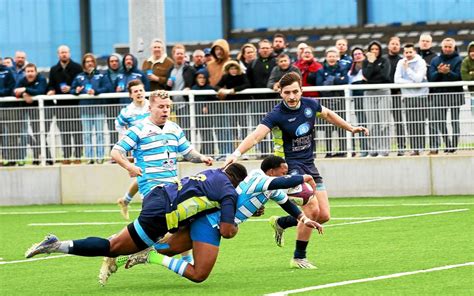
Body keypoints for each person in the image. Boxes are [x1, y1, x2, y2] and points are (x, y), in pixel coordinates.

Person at [102, 156, 323, 284]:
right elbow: (278, 185)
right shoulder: (259, 178)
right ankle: (144, 255)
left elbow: (285, 201)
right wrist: (302, 178)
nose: (285, 176)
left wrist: (303, 218)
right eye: (283, 173)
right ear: (272, 171)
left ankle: (119, 253)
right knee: (199, 274)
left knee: (166, 248)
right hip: (212, 223)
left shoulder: (267, 188)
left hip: (207, 219)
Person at [225, 72, 368, 269]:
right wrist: (237, 152)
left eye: (295, 91)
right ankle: (299, 257)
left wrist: (350, 128)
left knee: (324, 215)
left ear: (301, 90)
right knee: (312, 208)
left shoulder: (310, 105)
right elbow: (256, 136)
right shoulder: (276, 114)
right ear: (280, 93)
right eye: (287, 93)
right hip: (288, 168)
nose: (291, 97)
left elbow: (327, 114)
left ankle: (282, 222)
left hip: (309, 164)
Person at [24, 164, 249, 284]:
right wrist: (235, 221)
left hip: (158, 195)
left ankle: (143, 252)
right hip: (161, 214)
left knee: (164, 238)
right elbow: (227, 231)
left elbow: (199, 199)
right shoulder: (229, 191)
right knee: (113, 246)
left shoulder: (213, 172)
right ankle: (57, 245)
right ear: (238, 182)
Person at [111, 89, 213, 219]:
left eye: (168, 107)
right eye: (160, 107)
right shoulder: (138, 130)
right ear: (150, 108)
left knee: (176, 230)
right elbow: (115, 152)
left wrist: (202, 158)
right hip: (151, 188)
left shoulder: (174, 128)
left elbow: (188, 153)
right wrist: (129, 166)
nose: (165, 110)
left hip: (172, 187)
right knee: (162, 230)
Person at [114, 80, 150, 219]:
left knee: (144, 175)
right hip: (140, 148)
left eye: (141, 90)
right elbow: (118, 124)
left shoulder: (151, 105)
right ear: (131, 95)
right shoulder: (127, 111)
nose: (139, 93)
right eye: (136, 91)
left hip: (155, 145)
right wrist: (126, 138)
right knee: (144, 175)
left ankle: (126, 200)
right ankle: (147, 210)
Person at [71, 53, 112, 164]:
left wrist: (96, 91)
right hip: (85, 109)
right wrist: (76, 91)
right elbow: (72, 89)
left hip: (98, 109)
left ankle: (100, 157)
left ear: (94, 63)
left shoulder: (100, 75)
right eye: (87, 61)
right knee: (87, 134)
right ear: (84, 64)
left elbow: (108, 88)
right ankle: (89, 157)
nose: (89, 63)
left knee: (99, 133)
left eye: (91, 61)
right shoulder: (79, 76)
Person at [47, 45, 83, 164]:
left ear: (69, 53)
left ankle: (78, 156)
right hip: (61, 106)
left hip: (75, 104)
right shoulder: (53, 69)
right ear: (58, 54)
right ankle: (66, 156)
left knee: (77, 131)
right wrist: (51, 90)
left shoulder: (77, 67)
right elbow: (51, 84)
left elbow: (81, 83)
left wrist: (72, 88)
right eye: (62, 52)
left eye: (66, 52)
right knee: (64, 133)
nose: (64, 54)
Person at [428, 38, 463, 154]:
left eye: (450, 47)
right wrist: (439, 72)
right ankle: (447, 144)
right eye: (446, 47)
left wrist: (448, 72)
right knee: (441, 122)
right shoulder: (435, 60)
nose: (447, 49)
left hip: (454, 95)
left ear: (454, 48)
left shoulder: (459, 60)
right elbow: (431, 79)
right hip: (439, 95)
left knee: (454, 121)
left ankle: (454, 146)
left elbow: (459, 77)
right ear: (442, 47)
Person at [314, 47, 349, 158]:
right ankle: (328, 152)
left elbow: (345, 81)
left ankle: (342, 151)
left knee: (341, 125)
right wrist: (337, 80)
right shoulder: (320, 70)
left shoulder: (343, 68)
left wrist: (331, 80)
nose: (332, 58)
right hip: (326, 101)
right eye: (330, 56)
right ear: (326, 57)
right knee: (327, 127)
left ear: (337, 57)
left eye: (334, 56)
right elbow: (320, 85)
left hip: (340, 100)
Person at [394, 43, 429, 156]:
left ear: (415, 52)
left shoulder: (421, 62)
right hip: (408, 97)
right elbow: (397, 80)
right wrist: (412, 83)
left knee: (420, 123)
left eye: (410, 52)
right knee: (410, 123)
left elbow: (418, 80)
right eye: (406, 52)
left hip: (421, 96)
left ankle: (421, 148)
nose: (408, 54)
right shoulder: (400, 62)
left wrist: (408, 69)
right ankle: (414, 148)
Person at [215, 60, 251, 160]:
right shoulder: (225, 77)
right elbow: (216, 86)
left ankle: (244, 151)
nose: (233, 70)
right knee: (232, 128)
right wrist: (222, 90)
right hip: (230, 106)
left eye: (235, 68)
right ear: (228, 69)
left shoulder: (242, 76)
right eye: (231, 68)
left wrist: (233, 90)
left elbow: (247, 85)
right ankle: (233, 152)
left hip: (242, 105)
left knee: (243, 127)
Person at [13, 63, 48, 165]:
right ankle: (22, 159)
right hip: (23, 109)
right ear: (25, 73)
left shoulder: (41, 79)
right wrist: (24, 94)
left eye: (32, 71)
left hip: (37, 109)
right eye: (28, 71)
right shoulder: (21, 80)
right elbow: (14, 91)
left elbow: (41, 90)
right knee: (22, 133)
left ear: (36, 72)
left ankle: (45, 158)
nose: (30, 73)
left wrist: (25, 90)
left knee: (39, 133)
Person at [362, 41, 392, 157]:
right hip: (369, 93)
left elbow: (385, 76)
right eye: (372, 49)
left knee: (384, 122)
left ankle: (384, 150)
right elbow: (366, 76)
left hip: (383, 92)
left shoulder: (385, 61)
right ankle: (373, 150)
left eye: (376, 49)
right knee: (371, 123)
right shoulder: (366, 62)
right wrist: (371, 63)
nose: (374, 51)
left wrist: (374, 68)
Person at [384, 36, 406, 156]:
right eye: (392, 44)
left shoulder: (402, 61)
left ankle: (401, 147)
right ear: (388, 45)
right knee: (384, 122)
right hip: (385, 94)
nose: (394, 46)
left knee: (399, 122)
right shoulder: (383, 60)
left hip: (397, 94)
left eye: (397, 44)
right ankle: (384, 148)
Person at [348, 47, 369, 157]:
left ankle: (372, 149)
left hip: (368, 97)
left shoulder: (368, 66)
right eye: (355, 54)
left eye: (360, 53)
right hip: (357, 99)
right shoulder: (351, 70)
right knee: (361, 123)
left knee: (371, 123)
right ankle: (364, 149)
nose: (358, 55)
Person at [192, 70, 216, 156]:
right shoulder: (193, 88)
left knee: (207, 134)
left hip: (207, 116)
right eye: (199, 77)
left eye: (203, 77)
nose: (202, 80)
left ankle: (209, 152)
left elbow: (214, 100)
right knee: (196, 133)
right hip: (195, 115)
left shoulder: (210, 88)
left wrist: (207, 106)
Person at [104, 53, 123, 152]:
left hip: (123, 105)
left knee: (125, 130)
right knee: (112, 130)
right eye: (111, 61)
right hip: (110, 106)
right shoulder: (104, 74)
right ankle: (114, 153)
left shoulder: (124, 73)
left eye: (116, 61)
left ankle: (127, 153)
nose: (114, 63)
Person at [0, 62, 18, 166]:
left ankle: (12, 159)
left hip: (8, 107)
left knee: (12, 135)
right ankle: (2, 160)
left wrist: (1, 93)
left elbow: (12, 87)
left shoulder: (7, 71)